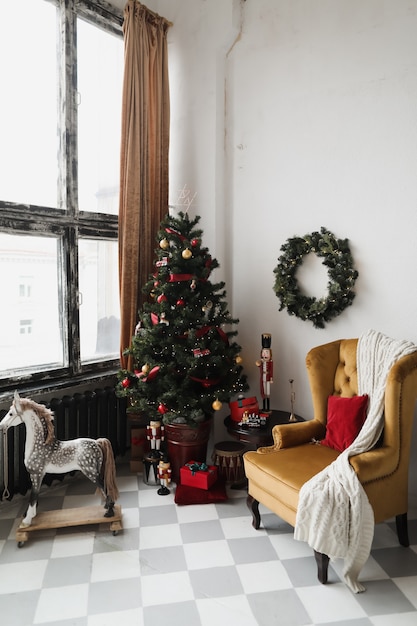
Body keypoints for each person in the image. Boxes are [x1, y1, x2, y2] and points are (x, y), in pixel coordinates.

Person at [256, 333, 273, 411]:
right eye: (263, 352)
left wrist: (271, 378)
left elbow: (271, 370)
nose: (265, 354)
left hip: (268, 378)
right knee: (263, 392)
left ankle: (268, 407)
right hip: (262, 378)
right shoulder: (261, 362)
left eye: (267, 352)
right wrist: (259, 363)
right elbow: (258, 365)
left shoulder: (270, 362)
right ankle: (264, 407)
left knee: (268, 393)